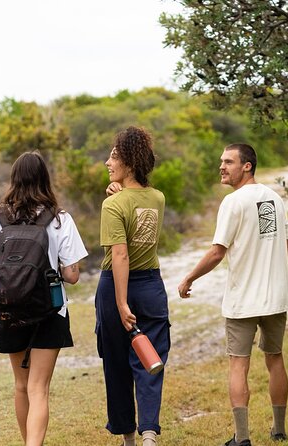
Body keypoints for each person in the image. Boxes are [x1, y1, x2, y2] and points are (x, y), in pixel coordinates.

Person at [177, 143, 288, 446]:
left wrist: (189, 277)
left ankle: (242, 438)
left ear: (247, 166)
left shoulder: (233, 202)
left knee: (238, 364)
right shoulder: (273, 199)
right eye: (221, 162)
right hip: (274, 298)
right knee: (275, 358)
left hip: (243, 301)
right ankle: (278, 431)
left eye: (228, 162)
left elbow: (217, 252)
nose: (222, 167)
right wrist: (278, 278)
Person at [0, 151, 88, 446]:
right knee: (39, 389)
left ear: (14, 179)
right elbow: (74, 274)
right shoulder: (59, 218)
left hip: (10, 313)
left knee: (21, 385)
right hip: (50, 311)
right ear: (44, 178)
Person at [96, 126, 170, 446]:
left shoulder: (112, 205)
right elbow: (139, 204)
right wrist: (120, 191)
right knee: (151, 357)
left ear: (129, 161)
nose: (107, 162)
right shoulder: (158, 198)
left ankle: (128, 437)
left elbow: (121, 254)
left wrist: (122, 303)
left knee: (116, 361)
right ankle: (149, 431)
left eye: (114, 156)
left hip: (116, 287)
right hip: (151, 285)